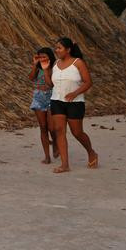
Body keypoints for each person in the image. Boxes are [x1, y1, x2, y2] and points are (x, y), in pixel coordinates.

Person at [44, 37, 98, 174]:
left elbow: (88, 82)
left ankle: (91, 152)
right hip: (56, 101)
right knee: (59, 131)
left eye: (59, 48)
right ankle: (65, 164)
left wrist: (75, 93)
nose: (56, 50)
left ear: (68, 50)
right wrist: (45, 70)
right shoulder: (55, 63)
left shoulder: (78, 63)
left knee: (77, 133)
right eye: (56, 48)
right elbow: (50, 84)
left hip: (75, 103)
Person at [29, 47, 57, 164]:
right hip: (39, 97)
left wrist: (46, 69)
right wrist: (35, 65)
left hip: (51, 96)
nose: (42, 59)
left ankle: (55, 143)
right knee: (43, 127)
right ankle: (47, 156)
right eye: (40, 56)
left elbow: (50, 84)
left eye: (44, 56)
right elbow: (31, 78)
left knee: (52, 128)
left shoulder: (55, 67)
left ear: (50, 57)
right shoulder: (38, 67)